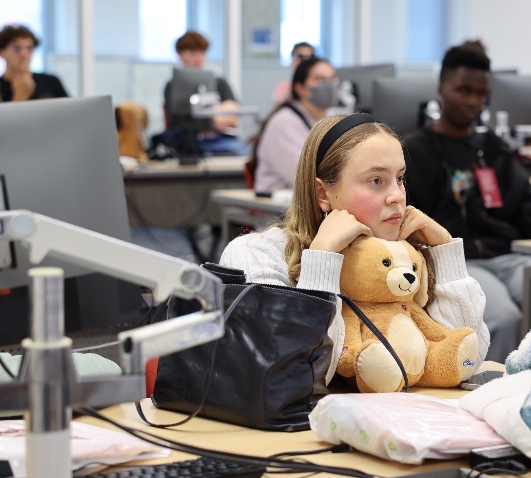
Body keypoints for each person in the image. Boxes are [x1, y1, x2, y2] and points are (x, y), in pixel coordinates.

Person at [220, 112, 490, 384]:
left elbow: (466, 359)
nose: (397, 195)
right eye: (376, 180)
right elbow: (292, 375)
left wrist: (445, 253)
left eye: (400, 178)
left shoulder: (404, 257)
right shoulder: (256, 254)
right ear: (323, 194)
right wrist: (322, 259)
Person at [402, 43, 531, 362]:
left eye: (480, 93)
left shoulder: (494, 150)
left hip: (510, 259)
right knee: (503, 318)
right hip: (460, 261)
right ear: (441, 89)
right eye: (463, 90)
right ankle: (489, 401)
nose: (472, 101)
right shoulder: (414, 152)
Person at [253, 56, 338, 193]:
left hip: (315, 199)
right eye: (320, 80)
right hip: (278, 206)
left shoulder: (331, 117)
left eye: (332, 78)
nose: (329, 85)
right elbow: (303, 176)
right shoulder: (284, 122)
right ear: (300, 88)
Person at [162, 30, 246, 155]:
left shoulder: (219, 83)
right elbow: (178, 123)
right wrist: (217, 114)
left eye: (202, 53)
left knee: (241, 154)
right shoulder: (172, 86)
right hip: (187, 143)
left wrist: (203, 119)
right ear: (180, 54)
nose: (198, 58)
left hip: (222, 141)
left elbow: (233, 114)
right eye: (192, 53)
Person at [0, 24, 68, 102]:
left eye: (30, 48)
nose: (24, 54)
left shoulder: (51, 82)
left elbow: (71, 111)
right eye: (16, 48)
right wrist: (19, 97)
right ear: (1, 52)